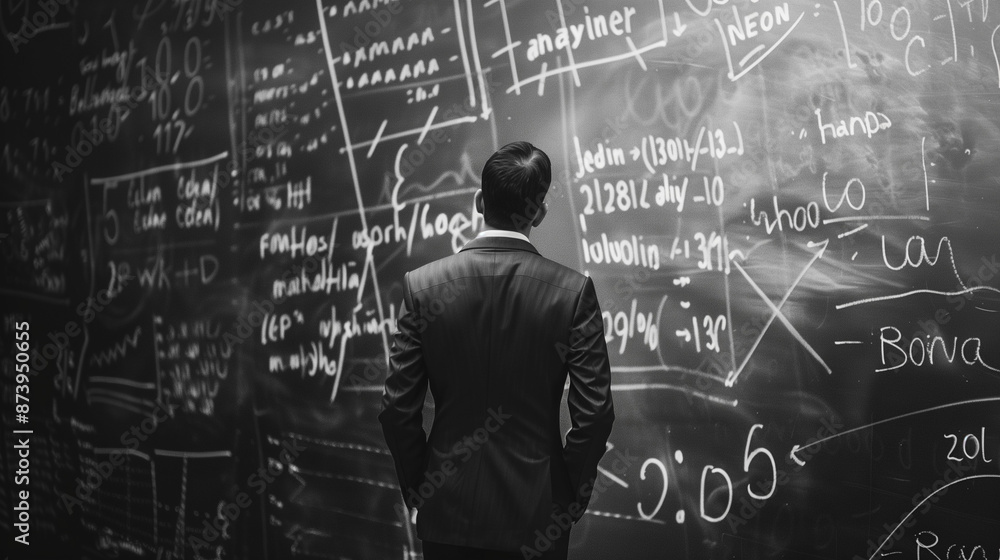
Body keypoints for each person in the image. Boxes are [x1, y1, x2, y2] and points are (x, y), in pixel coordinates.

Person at [379, 141, 615, 560]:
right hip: (538, 520)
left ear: (478, 201)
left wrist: (422, 489)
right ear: (539, 212)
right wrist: (567, 498)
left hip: (447, 513)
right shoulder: (573, 293)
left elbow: (397, 409)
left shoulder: (422, 287)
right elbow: (594, 414)